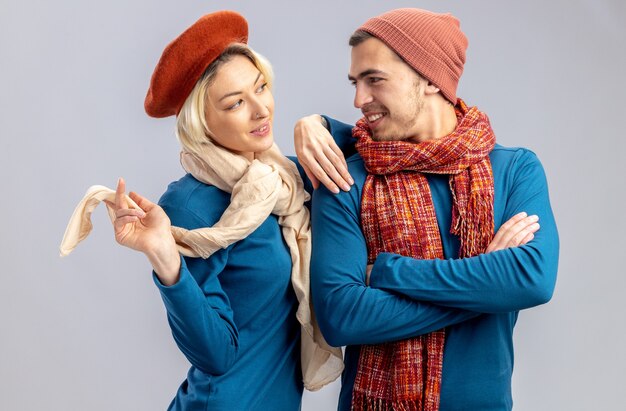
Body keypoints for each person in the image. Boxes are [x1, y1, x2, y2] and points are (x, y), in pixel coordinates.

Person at [59, 11, 348, 411]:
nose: (261, 110)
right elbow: (216, 355)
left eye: (261, 87)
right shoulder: (190, 205)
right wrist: (165, 257)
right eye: (235, 104)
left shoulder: (286, 181)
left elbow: (370, 153)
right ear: (203, 123)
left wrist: (317, 125)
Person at [294, 8, 559, 411]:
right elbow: (342, 316)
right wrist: (486, 284)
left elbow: (532, 279)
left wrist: (388, 271)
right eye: (355, 82)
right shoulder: (344, 179)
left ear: (431, 79)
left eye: (375, 80)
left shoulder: (515, 169)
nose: (358, 99)